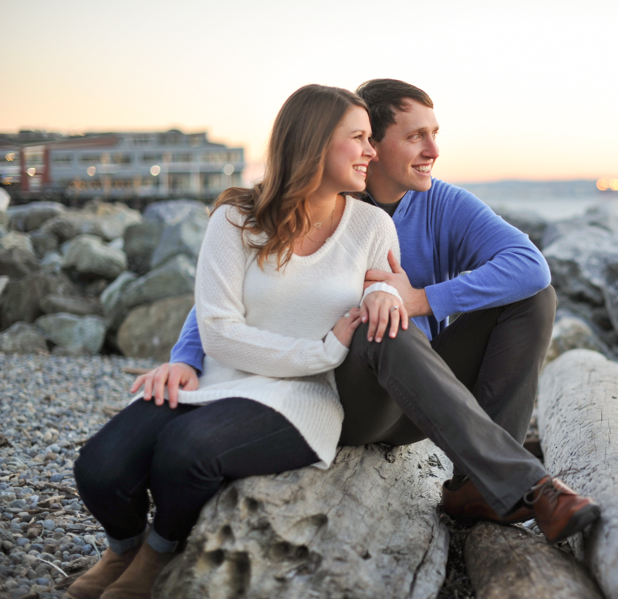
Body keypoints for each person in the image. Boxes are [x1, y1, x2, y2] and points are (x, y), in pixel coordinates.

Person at [136, 80, 599, 545]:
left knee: (533, 299)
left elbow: (530, 267)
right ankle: (525, 484)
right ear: (370, 144)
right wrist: (186, 357)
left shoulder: (440, 202)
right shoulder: (316, 203)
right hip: (343, 395)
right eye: (416, 136)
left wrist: (420, 298)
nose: (433, 149)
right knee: (382, 326)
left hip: (421, 394)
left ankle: (477, 486)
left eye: (434, 133)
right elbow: (233, 290)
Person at [67, 84, 408, 599]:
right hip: (224, 377)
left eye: (370, 139)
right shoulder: (235, 217)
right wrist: (319, 349)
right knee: (98, 466)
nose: (372, 151)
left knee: (185, 452)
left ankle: (158, 554)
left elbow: (384, 287)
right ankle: (123, 547)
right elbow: (219, 333)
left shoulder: (373, 226)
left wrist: (387, 293)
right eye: (358, 138)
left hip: (304, 397)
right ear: (314, 143)